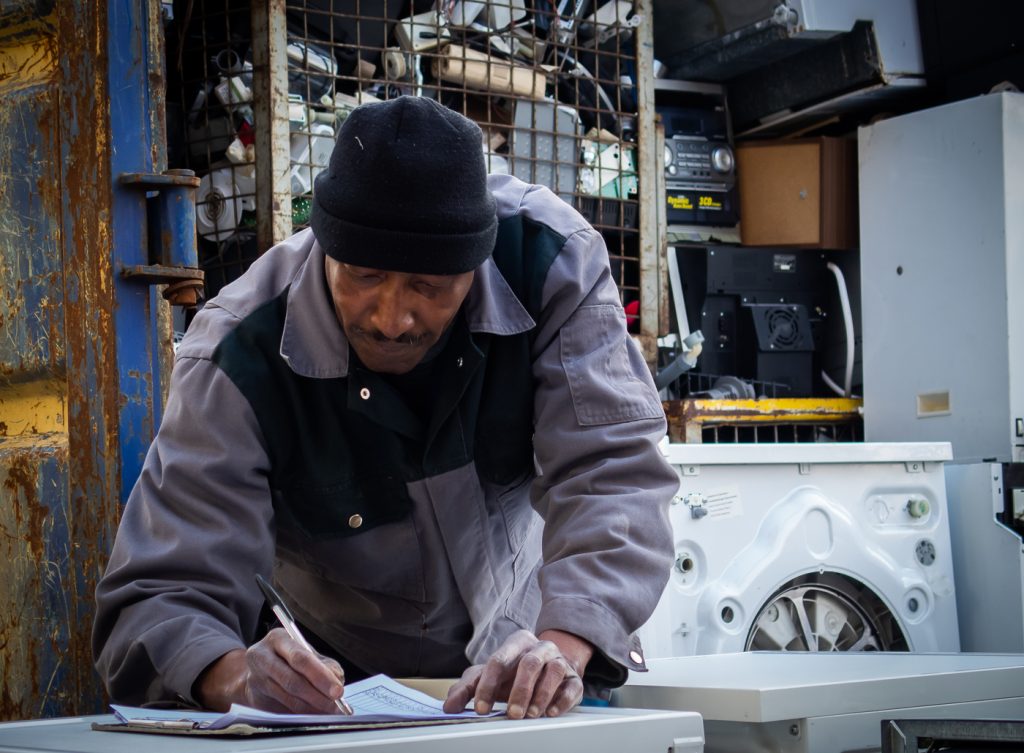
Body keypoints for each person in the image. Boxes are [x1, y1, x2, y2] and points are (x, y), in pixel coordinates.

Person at [93, 96, 678, 720]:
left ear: (476, 265)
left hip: (535, 668)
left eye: (430, 288)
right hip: (342, 706)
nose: (392, 319)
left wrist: (563, 647)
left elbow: (612, 474)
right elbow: (163, 592)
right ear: (325, 247)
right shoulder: (235, 355)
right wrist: (235, 679)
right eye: (364, 276)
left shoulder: (552, 262)